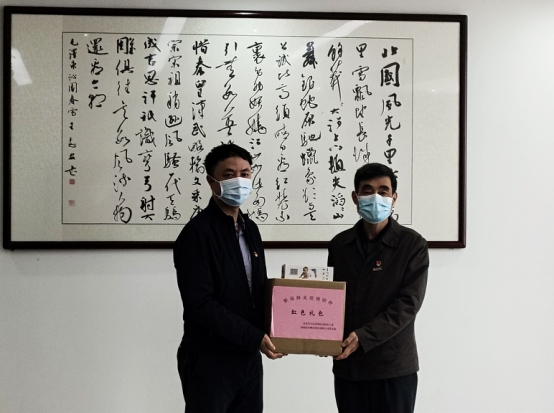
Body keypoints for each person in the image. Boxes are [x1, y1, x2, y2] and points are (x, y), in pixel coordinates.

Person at [174, 143, 284, 413]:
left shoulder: (251, 229)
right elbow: (200, 304)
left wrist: (285, 329)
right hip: (209, 359)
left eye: (245, 174)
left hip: (248, 357)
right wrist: (253, 337)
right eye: (229, 174)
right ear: (212, 182)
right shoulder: (196, 234)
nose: (239, 180)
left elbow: (258, 291)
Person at [327, 163, 429, 413]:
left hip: (393, 368)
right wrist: (321, 336)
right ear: (355, 197)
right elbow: (331, 300)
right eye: (368, 190)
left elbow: (408, 304)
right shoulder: (340, 245)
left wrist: (364, 336)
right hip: (349, 367)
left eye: (383, 191)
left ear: (394, 198)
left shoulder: (412, 245)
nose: (376, 197)